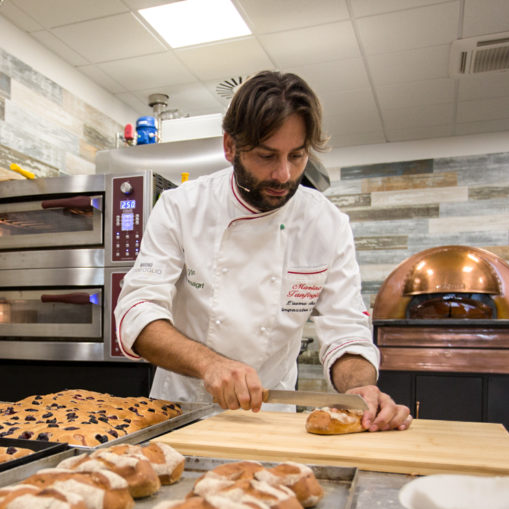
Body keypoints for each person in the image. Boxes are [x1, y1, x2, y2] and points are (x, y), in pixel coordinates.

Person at [113, 70, 411, 432]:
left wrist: (360, 387)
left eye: (297, 156)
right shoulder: (181, 207)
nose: (283, 175)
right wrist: (210, 364)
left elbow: (346, 327)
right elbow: (137, 312)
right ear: (230, 147)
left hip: (270, 415)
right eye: (267, 156)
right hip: (181, 410)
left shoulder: (327, 224)